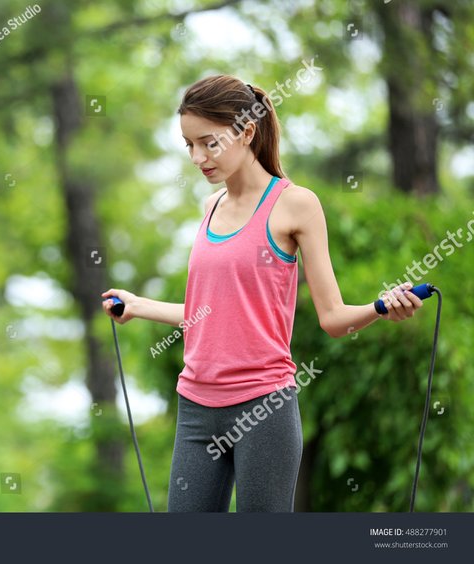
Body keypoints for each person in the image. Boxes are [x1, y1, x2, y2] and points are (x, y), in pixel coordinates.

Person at [101, 74, 424, 512]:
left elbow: (331, 317)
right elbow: (211, 313)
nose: (197, 157)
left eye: (208, 143)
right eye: (188, 145)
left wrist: (380, 307)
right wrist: (138, 306)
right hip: (196, 406)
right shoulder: (209, 208)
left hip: (263, 407)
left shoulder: (296, 204)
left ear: (246, 131)